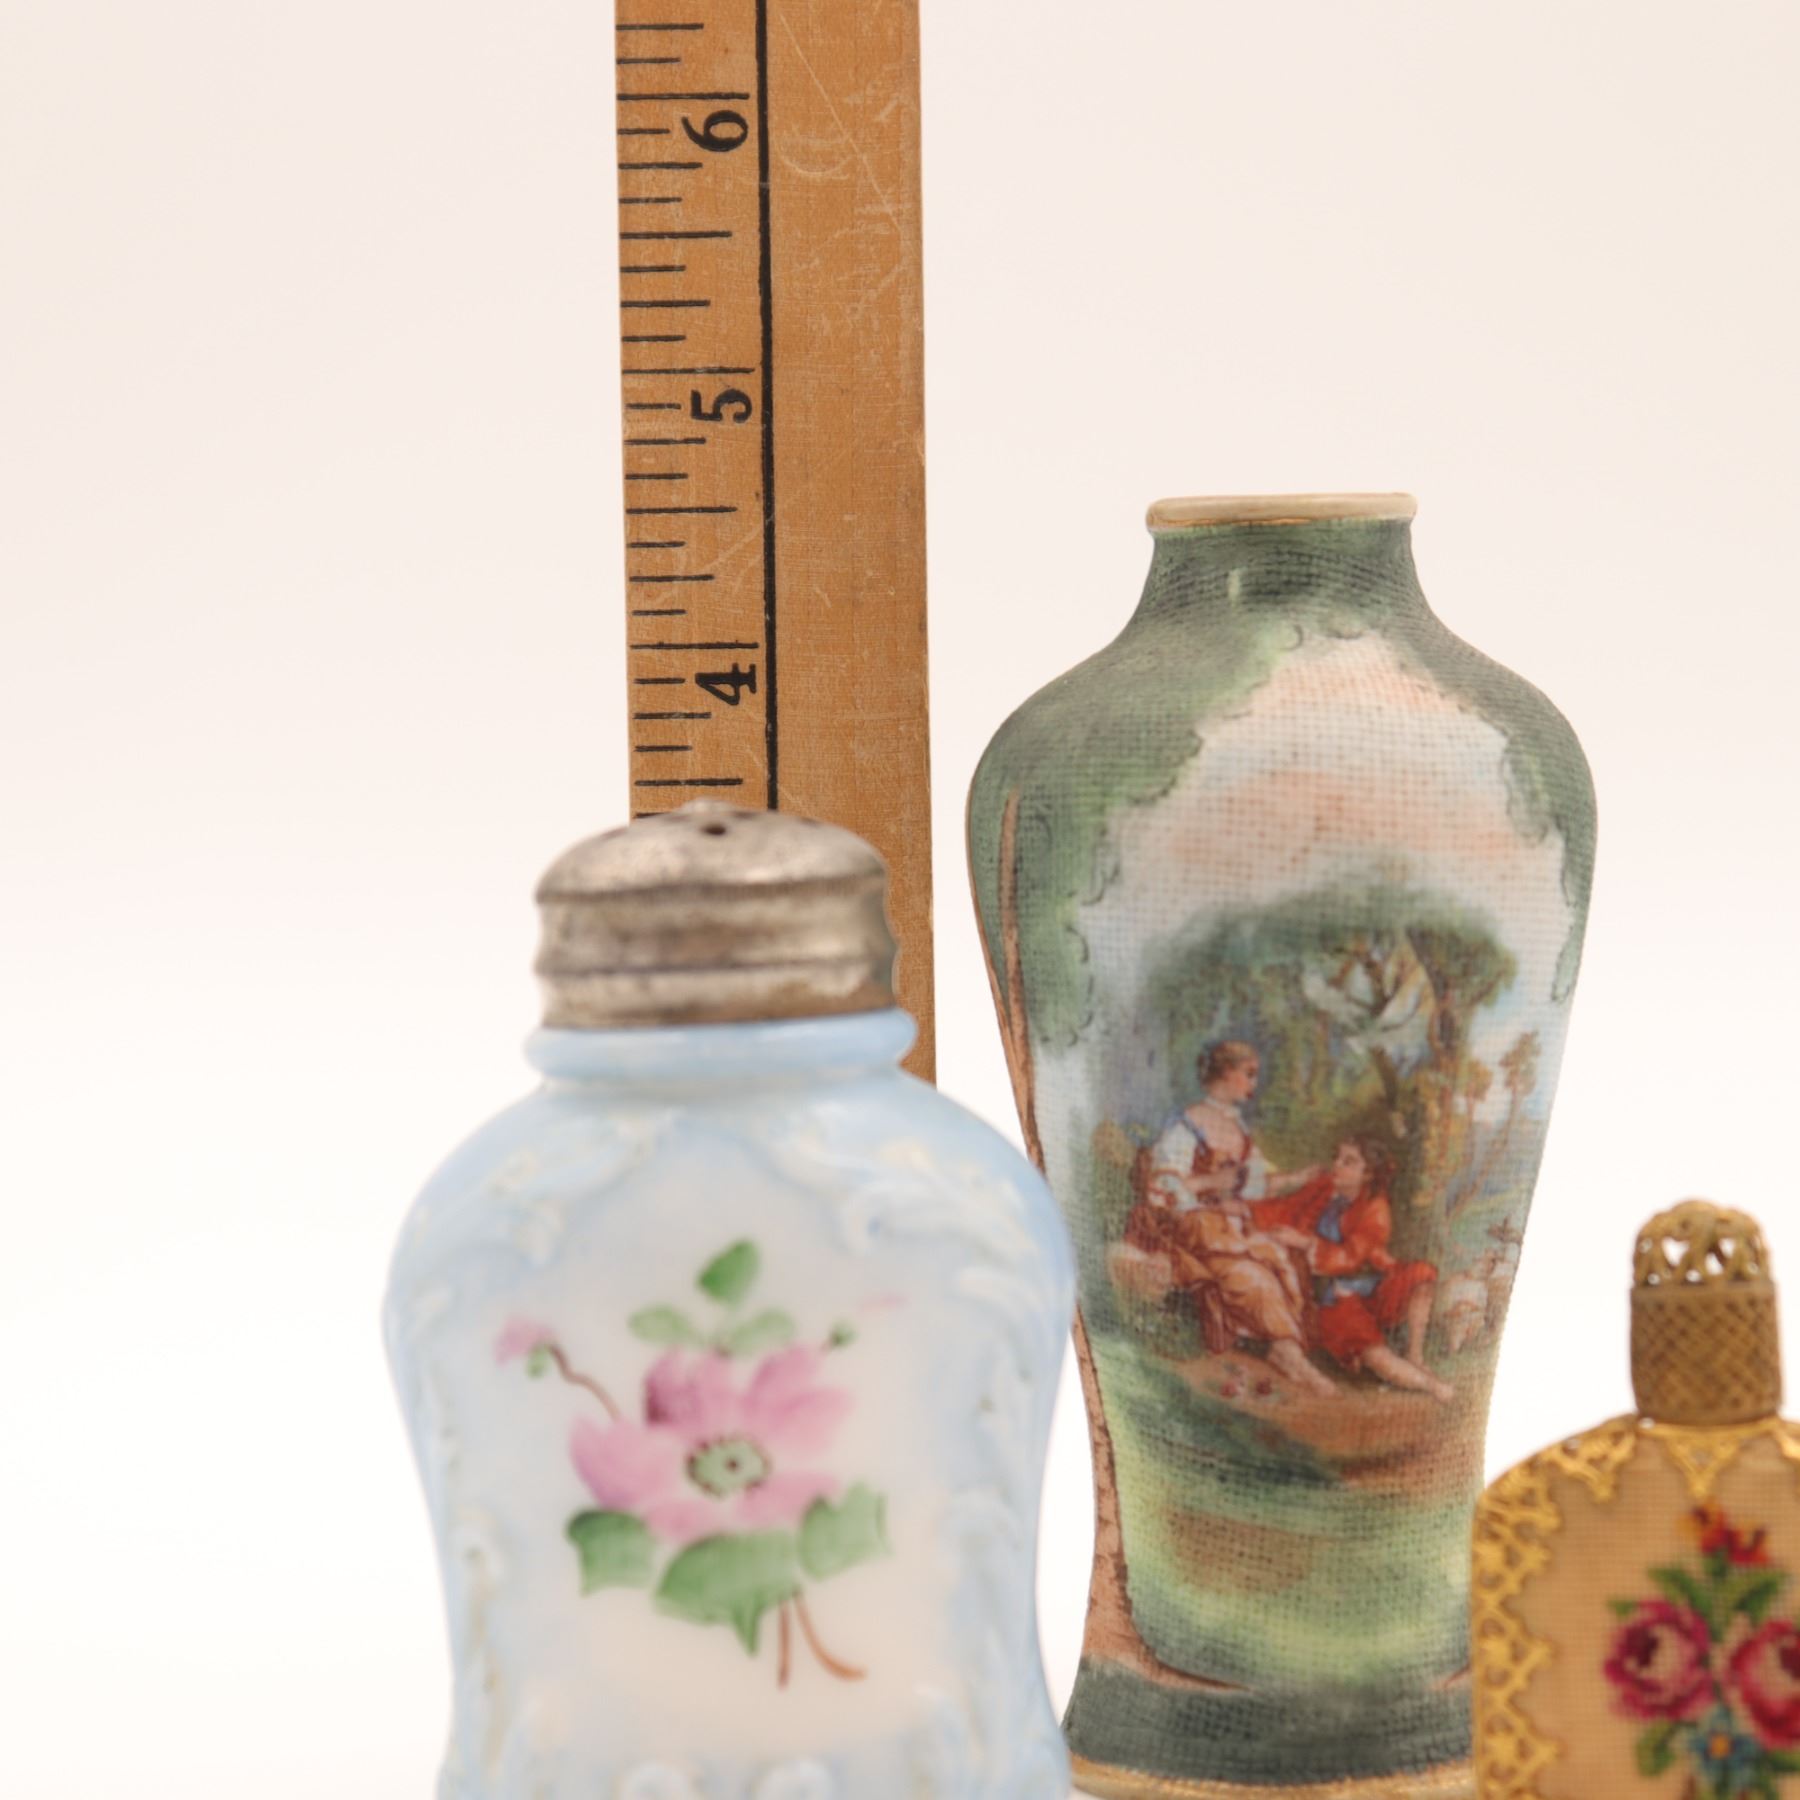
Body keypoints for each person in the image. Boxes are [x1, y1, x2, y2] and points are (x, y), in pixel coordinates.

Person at [1123, 1041, 1335, 1397]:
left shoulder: (1238, 1129)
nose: (1254, 1082)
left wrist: (1301, 1178)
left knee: (1284, 1257)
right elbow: (1163, 1186)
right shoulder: (1189, 1123)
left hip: (1230, 1230)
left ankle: (1286, 1348)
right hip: (1194, 1229)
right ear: (1225, 1073)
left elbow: (1257, 1184)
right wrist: (1212, 1185)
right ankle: (1288, 1354)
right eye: (1248, 1074)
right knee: (1253, 1277)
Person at [1256, 1135, 1454, 1403]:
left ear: (1368, 1174)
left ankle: (1416, 1357)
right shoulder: (1325, 1187)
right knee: (1372, 1350)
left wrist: (1305, 1242)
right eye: (1337, 1158)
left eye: (1348, 1162)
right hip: (1327, 1297)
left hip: (1368, 1286)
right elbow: (1285, 1208)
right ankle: (1431, 1386)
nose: (1337, 1165)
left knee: (1422, 1275)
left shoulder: (1375, 1208)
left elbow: (1350, 1258)